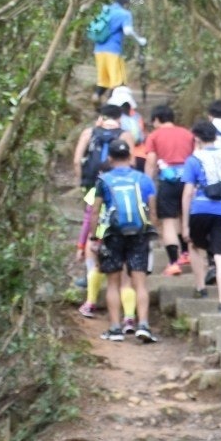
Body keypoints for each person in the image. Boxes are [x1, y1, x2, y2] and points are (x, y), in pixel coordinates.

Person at [90, 141, 157, 343]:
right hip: (139, 233)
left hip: (113, 233)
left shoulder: (103, 180)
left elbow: (95, 211)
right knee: (140, 282)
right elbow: (152, 211)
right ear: (130, 158)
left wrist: (95, 237)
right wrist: (151, 231)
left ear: (109, 159)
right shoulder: (144, 179)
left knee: (113, 282)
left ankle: (115, 328)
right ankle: (143, 325)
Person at [72, 103, 133, 317]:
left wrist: (82, 182)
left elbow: (77, 159)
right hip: (120, 188)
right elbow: (131, 161)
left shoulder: (89, 132)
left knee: (91, 218)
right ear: (120, 117)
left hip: (91, 184)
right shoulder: (125, 134)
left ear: (101, 116)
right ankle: (128, 316)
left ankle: (90, 288)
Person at [181, 119, 221, 314]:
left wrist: (185, 224)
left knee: (194, 244)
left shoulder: (194, 159)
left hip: (200, 209)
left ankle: (201, 288)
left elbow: (187, 192)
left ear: (197, 138)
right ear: (216, 136)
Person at [142, 105, 196, 275]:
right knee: (183, 216)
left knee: (168, 221)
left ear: (157, 119)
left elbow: (151, 161)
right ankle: (186, 253)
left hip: (168, 181)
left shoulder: (154, 135)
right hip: (188, 180)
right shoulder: (188, 134)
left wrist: (146, 184)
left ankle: (173, 262)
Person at [91, 0, 141, 102]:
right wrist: (139, 39)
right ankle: (112, 107)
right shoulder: (125, 14)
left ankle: (96, 97)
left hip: (98, 50)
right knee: (118, 82)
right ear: (126, 4)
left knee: (103, 81)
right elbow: (127, 31)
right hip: (113, 50)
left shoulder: (106, 11)